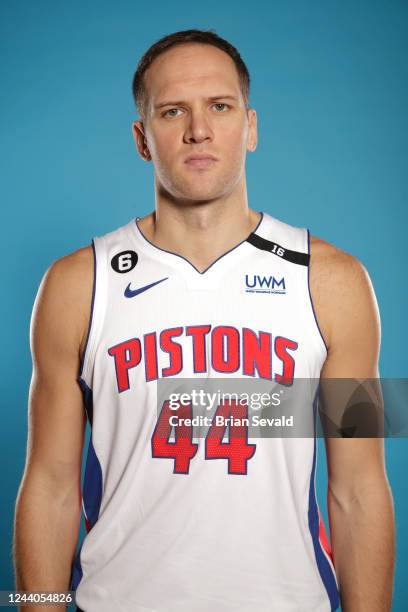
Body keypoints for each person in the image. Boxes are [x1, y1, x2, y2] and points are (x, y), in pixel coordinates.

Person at [13, 29, 395, 612]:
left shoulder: (335, 282)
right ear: (143, 139)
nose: (199, 129)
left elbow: (360, 488)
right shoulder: (77, 284)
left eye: (220, 106)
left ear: (251, 126)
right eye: (173, 111)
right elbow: (49, 484)